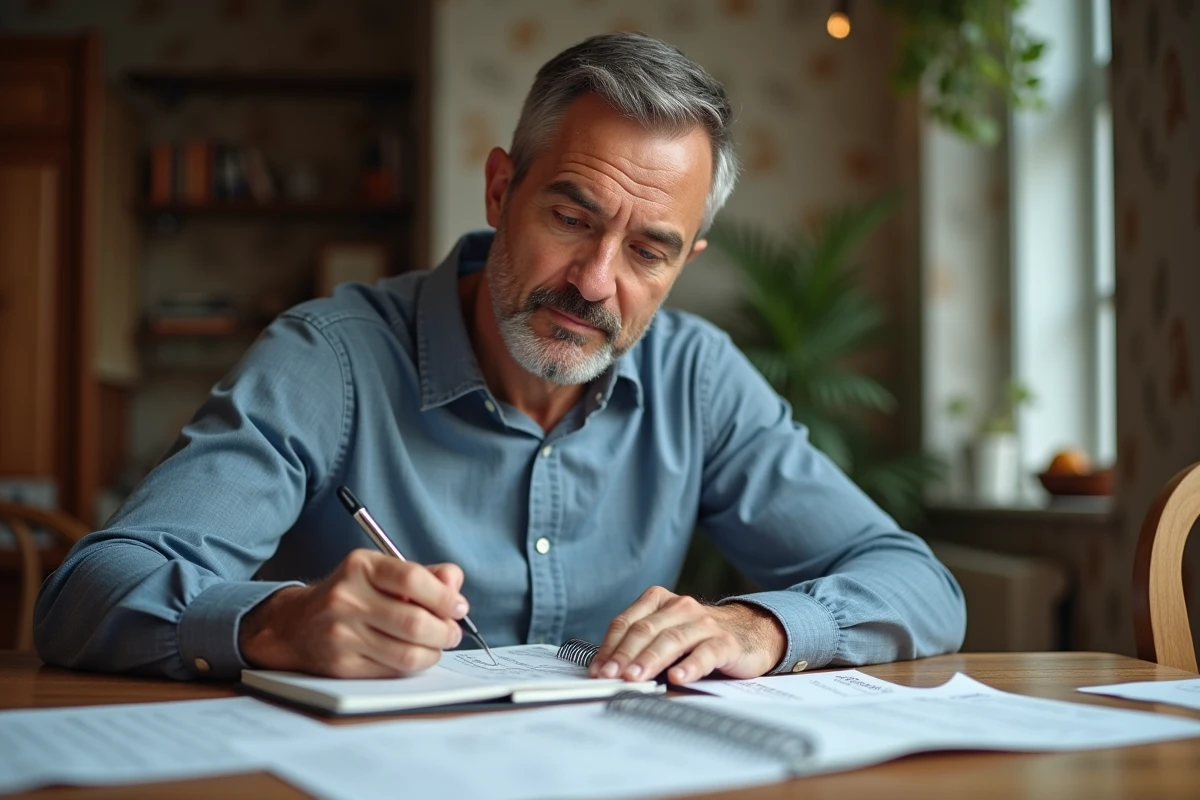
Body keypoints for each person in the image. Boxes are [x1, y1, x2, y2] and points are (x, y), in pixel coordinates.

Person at [35, 32, 965, 684]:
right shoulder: (330, 360)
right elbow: (85, 593)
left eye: (649, 250)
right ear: (499, 188)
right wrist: (272, 623)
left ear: (685, 263)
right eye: (571, 215)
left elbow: (918, 584)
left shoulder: (699, 377)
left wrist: (761, 624)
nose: (596, 281)